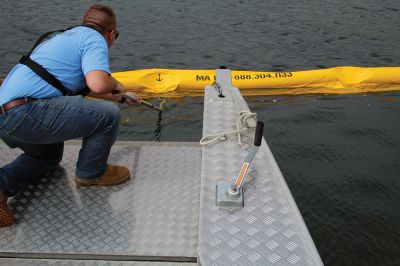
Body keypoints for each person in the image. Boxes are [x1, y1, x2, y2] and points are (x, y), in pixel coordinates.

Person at [0, 4, 140, 227]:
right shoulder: (95, 39)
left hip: (5, 116)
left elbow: (82, 87)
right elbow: (98, 82)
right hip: (25, 112)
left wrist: (120, 97)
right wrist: (115, 83)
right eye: (116, 36)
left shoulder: (57, 37)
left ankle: (2, 185)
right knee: (109, 116)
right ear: (111, 33)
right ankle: (92, 173)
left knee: (47, 158)